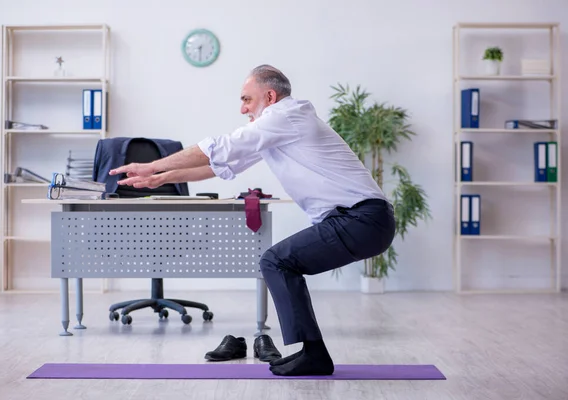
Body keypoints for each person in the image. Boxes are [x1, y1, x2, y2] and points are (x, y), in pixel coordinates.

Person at [109, 65, 396, 376]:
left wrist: (151, 166)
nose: (242, 108)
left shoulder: (286, 116)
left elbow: (221, 146)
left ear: (269, 96)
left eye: (247, 99)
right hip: (360, 220)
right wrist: (162, 178)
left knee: (276, 261)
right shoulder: (280, 128)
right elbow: (223, 165)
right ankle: (312, 353)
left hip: (362, 219)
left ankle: (314, 354)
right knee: (280, 262)